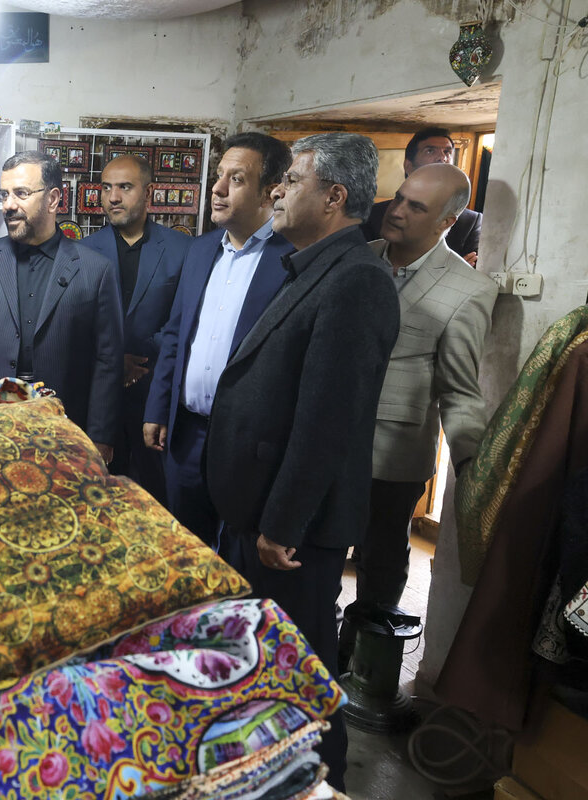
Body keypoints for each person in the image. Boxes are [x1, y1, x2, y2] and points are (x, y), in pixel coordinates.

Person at [205, 132, 400, 791]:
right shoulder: (315, 265)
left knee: (300, 665)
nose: (279, 191)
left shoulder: (357, 281)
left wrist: (282, 523)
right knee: (266, 656)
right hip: (263, 511)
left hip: (294, 532)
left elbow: (329, 423)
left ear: (334, 197)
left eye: (292, 180)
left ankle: (323, 778)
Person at [346, 163, 497, 627]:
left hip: (394, 455)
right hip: (327, 437)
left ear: (447, 221)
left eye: (416, 207)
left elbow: (459, 389)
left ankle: (364, 654)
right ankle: (315, 649)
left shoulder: (468, 290)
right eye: (399, 198)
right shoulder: (355, 259)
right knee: (313, 556)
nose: (397, 211)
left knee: (381, 562)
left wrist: (473, 467)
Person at [143, 132, 293, 548]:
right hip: (186, 434)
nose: (218, 188)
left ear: (271, 192)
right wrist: (158, 408)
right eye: (219, 175)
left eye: (237, 179)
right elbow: (177, 335)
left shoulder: (291, 260)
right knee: (186, 550)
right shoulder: (201, 250)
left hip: (248, 445)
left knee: (236, 557)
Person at [0, 150, 123, 462]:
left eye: (21, 193)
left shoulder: (96, 270)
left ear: (53, 199)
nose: (8, 205)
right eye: (4, 194)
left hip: (65, 433)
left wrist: (100, 437)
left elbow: (108, 361)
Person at [82, 155, 191, 503]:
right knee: (97, 495)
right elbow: (75, 324)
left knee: (155, 498)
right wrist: (114, 361)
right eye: (106, 188)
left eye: (125, 187)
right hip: (98, 400)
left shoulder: (183, 250)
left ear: (149, 192)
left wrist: (138, 358)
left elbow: (184, 318)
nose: (113, 197)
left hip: (155, 396)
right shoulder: (82, 251)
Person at [361, 126, 482, 265]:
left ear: (448, 222)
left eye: (447, 152)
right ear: (409, 166)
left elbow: (471, 269)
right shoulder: (373, 215)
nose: (442, 158)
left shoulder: (470, 222)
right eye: (430, 151)